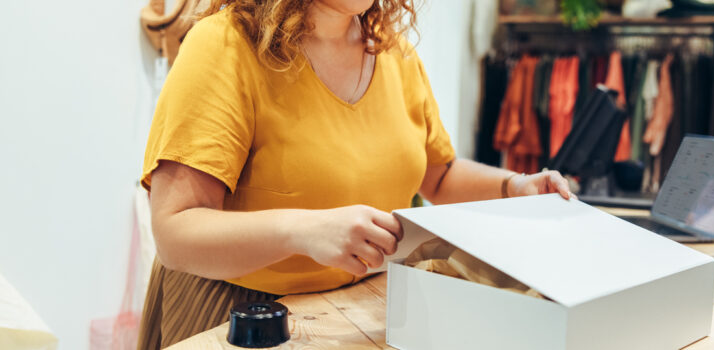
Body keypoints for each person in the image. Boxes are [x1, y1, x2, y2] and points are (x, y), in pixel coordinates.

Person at [137, 0, 575, 348]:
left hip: (365, 307)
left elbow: (438, 178)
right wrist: (302, 229)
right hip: (242, 315)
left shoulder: (393, 52)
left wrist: (514, 187)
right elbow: (176, 233)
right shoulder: (225, 45)